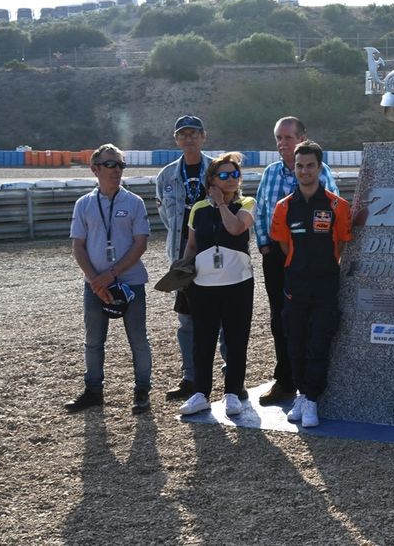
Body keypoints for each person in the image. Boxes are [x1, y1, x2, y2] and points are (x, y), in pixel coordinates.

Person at [254, 117, 339, 407]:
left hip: (310, 258)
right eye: (278, 138)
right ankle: (286, 380)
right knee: (281, 319)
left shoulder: (321, 171)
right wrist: (265, 246)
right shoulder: (270, 173)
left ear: (303, 137)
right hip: (276, 257)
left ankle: (315, 384)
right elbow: (262, 210)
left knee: (315, 319)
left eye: (288, 137)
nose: (282, 143)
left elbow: (336, 212)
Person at [268, 141, 352, 427]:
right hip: (295, 283)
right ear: (294, 168)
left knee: (320, 340)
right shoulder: (284, 207)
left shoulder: (336, 206)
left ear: (319, 167)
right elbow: (282, 244)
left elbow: (341, 242)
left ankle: (313, 399)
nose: (304, 171)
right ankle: (302, 394)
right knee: (296, 341)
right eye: (300, 166)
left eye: (310, 165)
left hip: (326, 283)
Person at [65, 144, 152, 415]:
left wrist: (109, 276)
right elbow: (78, 246)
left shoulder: (134, 202)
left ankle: (141, 392)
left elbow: (140, 244)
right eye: (110, 165)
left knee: (138, 340)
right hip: (95, 285)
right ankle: (93, 391)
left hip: (130, 282)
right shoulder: (84, 204)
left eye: (120, 165)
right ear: (95, 169)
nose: (116, 170)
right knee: (93, 341)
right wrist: (95, 281)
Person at [155, 115, 233, 401]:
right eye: (183, 134)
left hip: (216, 252)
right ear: (177, 139)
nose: (188, 139)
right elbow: (167, 215)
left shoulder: (217, 169)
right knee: (186, 321)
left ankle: (230, 377)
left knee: (223, 317)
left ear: (203, 136)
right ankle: (191, 377)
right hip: (183, 257)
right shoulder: (165, 175)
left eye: (194, 133)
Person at [178, 153, 256, 417]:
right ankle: (200, 392)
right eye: (224, 175)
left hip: (238, 283)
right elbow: (191, 244)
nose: (231, 179)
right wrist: (181, 272)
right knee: (203, 340)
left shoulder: (246, 202)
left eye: (235, 174)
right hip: (203, 285)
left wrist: (222, 204)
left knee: (236, 339)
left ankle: (232, 392)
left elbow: (235, 229)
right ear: (211, 180)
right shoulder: (198, 209)